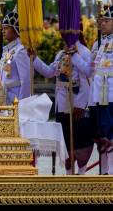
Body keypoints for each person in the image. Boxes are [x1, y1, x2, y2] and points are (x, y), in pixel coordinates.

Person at [29, 37, 94, 175]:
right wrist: (34, 58)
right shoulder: (60, 54)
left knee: (80, 143)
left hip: (76, 105)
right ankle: (69, 174)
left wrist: (81, 105)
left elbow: (87, 81)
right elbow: (48, 71)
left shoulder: (83, 52)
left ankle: (82, 173)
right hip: (62, 104)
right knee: (65, 143)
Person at [71, 5, 113, 175]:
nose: (102, 24)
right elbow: (89, 71)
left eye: (107, 21)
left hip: (110, 96)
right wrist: (74, 55)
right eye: (101, 21)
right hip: (96, 97)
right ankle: (104, 171)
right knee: (100, 134)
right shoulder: (98, 44)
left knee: (110, 133)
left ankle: (110, 172)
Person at [0, 9, 31, 105]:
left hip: (16, 99)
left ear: (15, 30)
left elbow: (25, 80)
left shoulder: (20, 51)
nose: (3, 31)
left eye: (6, 28)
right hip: (4, 98)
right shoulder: (6, 51)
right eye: (3, 28)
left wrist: (22, 104)